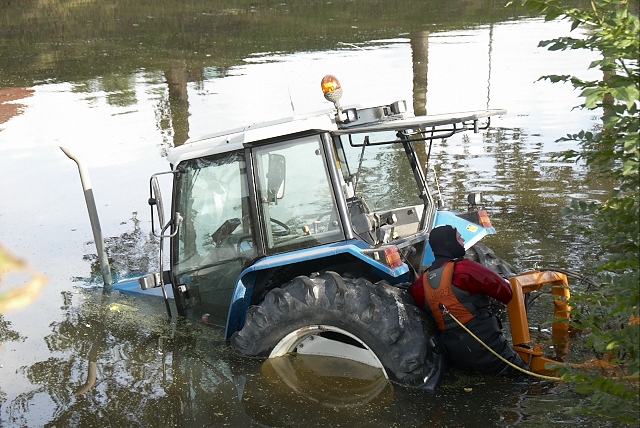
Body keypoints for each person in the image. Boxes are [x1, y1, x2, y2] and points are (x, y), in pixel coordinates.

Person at [409, 225, 529, 376]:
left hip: (454, 353)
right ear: (450, 244)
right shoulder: (465, 269)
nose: (463, 240)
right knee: (524, 377)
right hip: (487, 344)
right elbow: (506, 293)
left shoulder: (419, 286)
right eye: (459, 238)